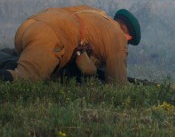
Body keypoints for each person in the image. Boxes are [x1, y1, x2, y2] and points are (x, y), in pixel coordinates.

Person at [0, 5, 141, 85]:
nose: (126, 45)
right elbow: (117, 84)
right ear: (127, 36)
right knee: (25, 79)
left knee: (22, 64)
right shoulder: (118, 36)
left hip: (30, 25)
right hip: (50, 36)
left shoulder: (96, 15)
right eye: (128, 42)